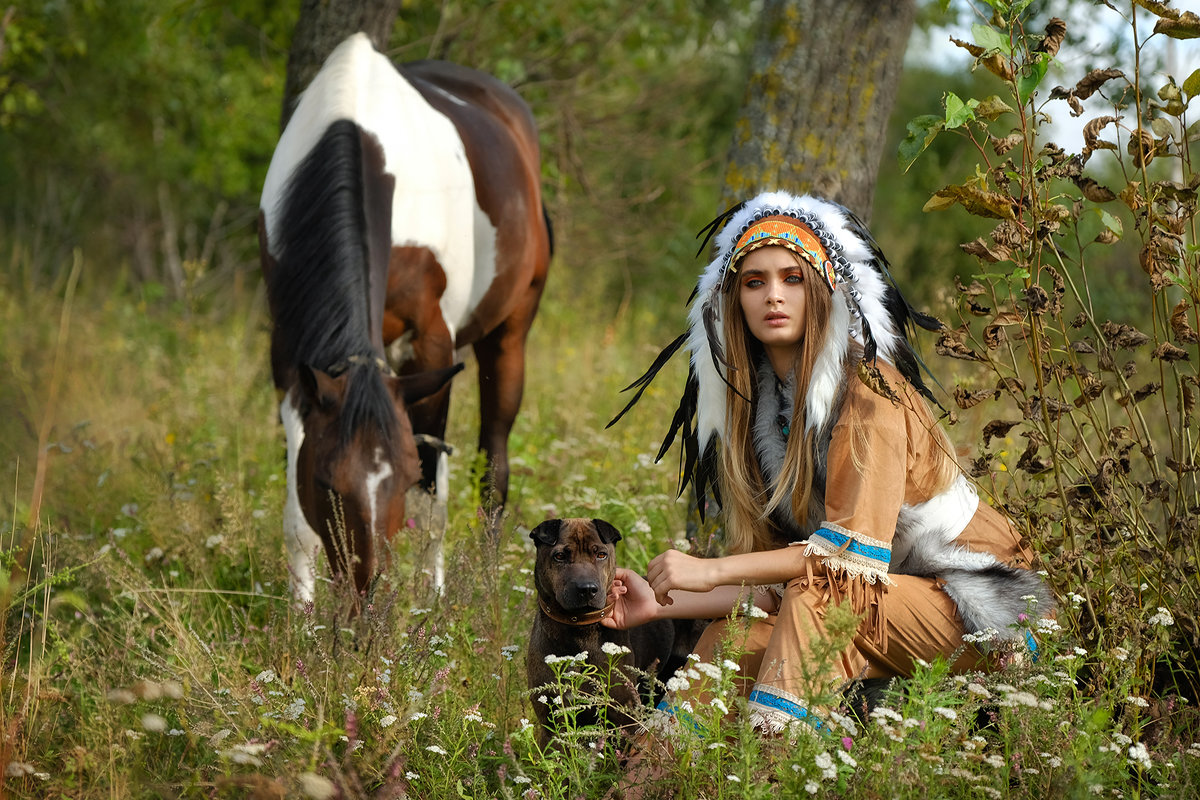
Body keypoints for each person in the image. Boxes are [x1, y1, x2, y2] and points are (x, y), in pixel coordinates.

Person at [603, 190, 1049, 739]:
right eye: (754, 281)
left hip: (979, 606)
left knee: (819, 595)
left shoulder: (868, 392)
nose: (774, 296)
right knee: (731, 639)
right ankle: (649, 785)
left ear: (824, 292)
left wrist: (708, 570)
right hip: (870, 603)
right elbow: (778, 584)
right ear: (732, 299)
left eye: (793, 278)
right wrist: (665, 603)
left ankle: (774, 772)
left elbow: (840, 567)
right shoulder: (757, 413)